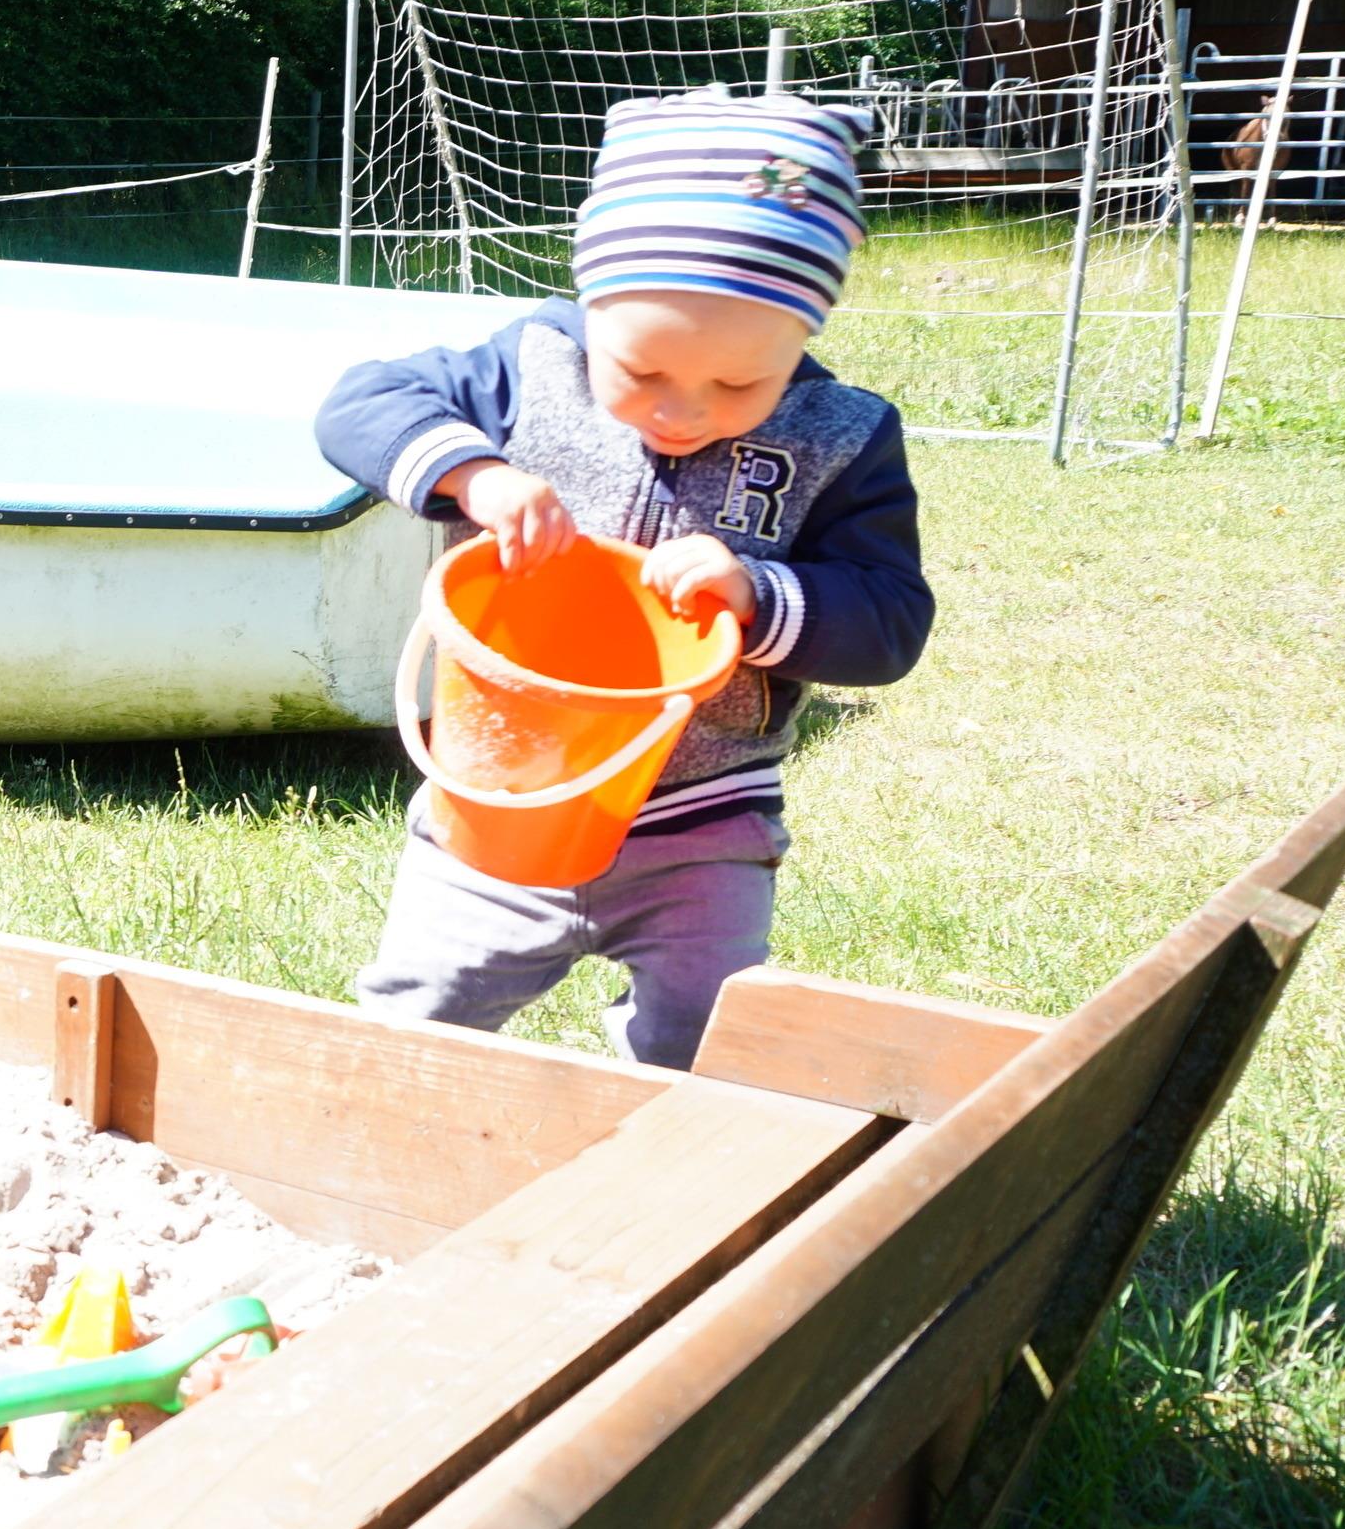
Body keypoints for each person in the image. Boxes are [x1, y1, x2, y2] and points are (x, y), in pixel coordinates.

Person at [313, 90, 933, 1069]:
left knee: (705, 1039)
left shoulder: (843, 437)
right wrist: (476, 475)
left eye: (740, 384)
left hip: (705, 822)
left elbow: (891, 620)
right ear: (593, 303)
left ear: (801, 334)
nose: (682, 411)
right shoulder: (535, 365)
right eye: (641, 372)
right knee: (415, 1018)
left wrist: (758, 595)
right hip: (502, 795)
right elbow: (359, 404)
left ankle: (662, 1132)